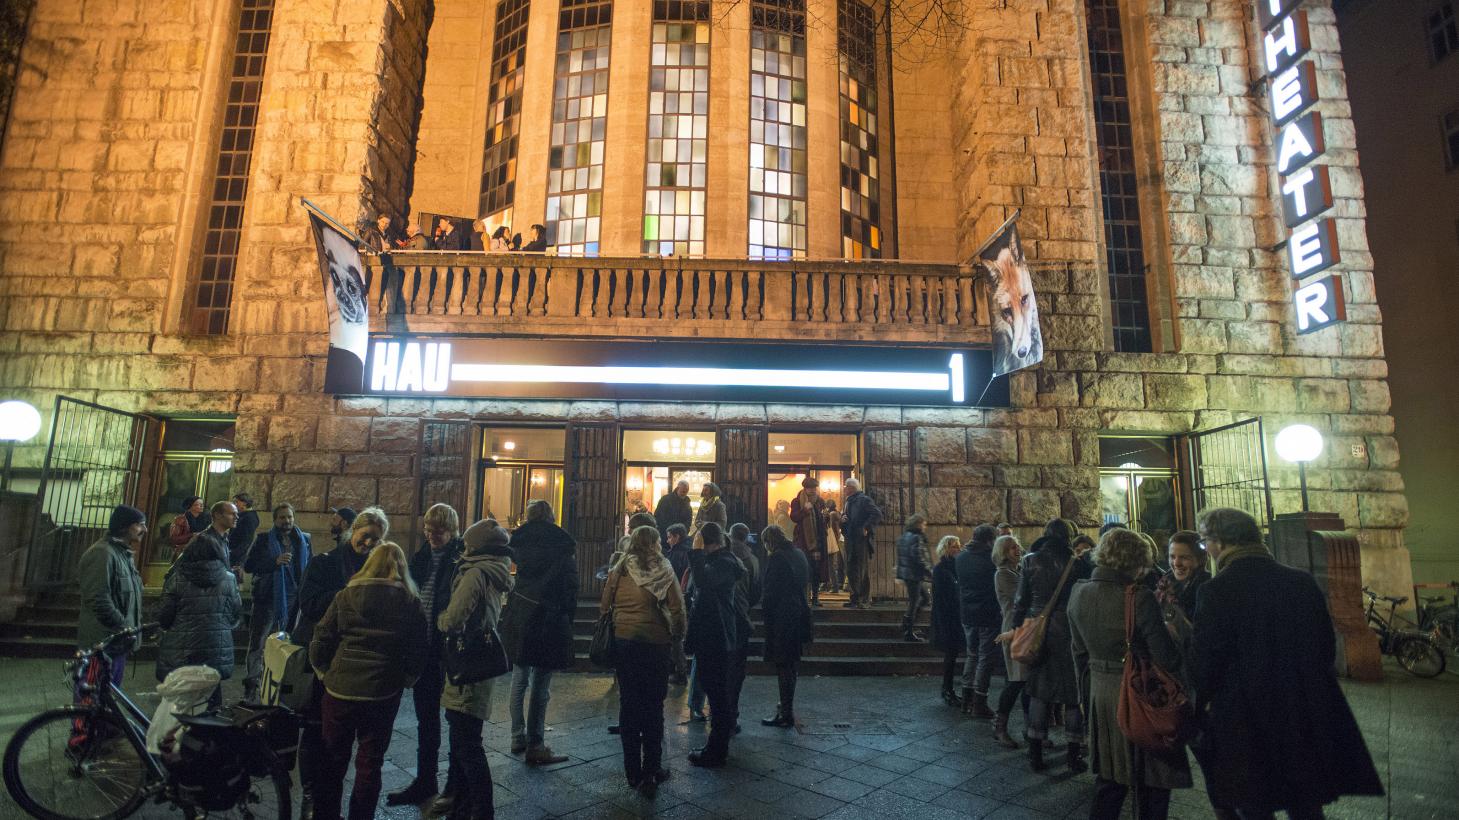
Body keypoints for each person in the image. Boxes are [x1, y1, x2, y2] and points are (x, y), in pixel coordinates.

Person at [1190, 507, 1382, 819]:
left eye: (1204, 542)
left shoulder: (1216, 590)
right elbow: (1324, 645)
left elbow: (1207, 659)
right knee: (1305, 800)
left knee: (1254, 801)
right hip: (1300, 706)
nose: (1206, 549)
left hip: (1244, 713)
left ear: (1221, 541)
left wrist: (1202, 704)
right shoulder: (1300, 582)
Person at [1067, 528, 1191, 820]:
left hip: (1101, 693)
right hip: (1139, 696)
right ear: (1136, 560)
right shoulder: (1138, 598)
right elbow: (1167, 658)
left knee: (1110, 780)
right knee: (1153, 782)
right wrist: (1174, 629)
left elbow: (1078, 652)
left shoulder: (1078, 591)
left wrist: (1085, 697)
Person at [309, 542, 428, 820]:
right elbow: (419, 647)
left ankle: (326, 815)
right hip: (382, 691)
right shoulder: (410, 601)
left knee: (332, 760)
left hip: (340, 689)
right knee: (370, 763)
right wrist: (408, 678)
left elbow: (321, 637)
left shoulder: (346, 594)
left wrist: (324, 672)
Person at [294, 506, 387, 818]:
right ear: (353, 531)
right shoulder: (325, 563)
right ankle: (311, 796)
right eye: (365, 536)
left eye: (376, 539)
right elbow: (307, 604)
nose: (369, 543)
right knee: (314, 731)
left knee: (346, 746)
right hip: (323, 662)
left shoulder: (382, 571)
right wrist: (347, 597)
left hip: (357, 669)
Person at [431, 518, 514, 820]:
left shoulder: (475, 573)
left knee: (466, 744)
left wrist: (440, 620)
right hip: (482, 661)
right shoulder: (496, 570)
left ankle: (481, 810)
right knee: (467, 738)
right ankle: (464, 807)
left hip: (467, 661)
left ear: (475, 546)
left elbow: (454, 617)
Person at [387, 504, 464, 806]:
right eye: (429, 528)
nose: (433, 534)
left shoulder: (458, 560)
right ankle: (425, 780)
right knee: (426, 721)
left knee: (456, 721)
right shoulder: (420, 558)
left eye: (439, 529)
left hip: (448, 652)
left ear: (452, 530)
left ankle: (454, 786)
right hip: (426, 652)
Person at [603, 525, 687, 797]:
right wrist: (677, 635)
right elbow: (677, 607)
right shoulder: (663, 568)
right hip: (655, 643)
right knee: (653, 706)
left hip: (625, 641)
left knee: (629, 705)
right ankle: (651, 770)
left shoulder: (620, 568)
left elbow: (605, 604)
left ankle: (632, 771)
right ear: (655, 543)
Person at [1009, 518, 1090, 773]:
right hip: (1070, 632)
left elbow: (1020, 599)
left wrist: (1017, 627)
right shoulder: (1077, 563)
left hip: (1040, 632)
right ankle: (1073, 754)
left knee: (1039, 693)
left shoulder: (1030, 560)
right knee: (1073, 696)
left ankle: (1035, 753)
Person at [503, 499, 578, 765]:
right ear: (551, 517)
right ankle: (536, 744)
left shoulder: (520, 545)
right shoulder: (560, 547)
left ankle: (516, 736)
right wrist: (566, 616)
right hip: (548, 617)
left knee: (519, 677)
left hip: (522, 615)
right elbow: (570, 588)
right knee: (541, 684)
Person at [683, 521, 749, 767]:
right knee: (716, 692)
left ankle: (716, 750)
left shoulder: (724, 563)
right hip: (712, 635)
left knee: (718, 695)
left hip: (717, 637)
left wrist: (696, 552)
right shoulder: (722, 561)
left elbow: (703, 582)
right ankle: (715, 746)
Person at [156, 532, 242, 708]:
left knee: (179, 708)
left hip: (181, 652)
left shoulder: (177, 578)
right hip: (216, 650)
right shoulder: (229, 579)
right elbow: (235, 613)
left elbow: (164, 617)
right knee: (212, 705)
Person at [74, 505, 145, 711]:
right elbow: (98, 598)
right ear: (124, 527)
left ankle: (105, 732)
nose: (144, 530)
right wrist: (124, 627)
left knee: (108, 694)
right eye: (139, 525)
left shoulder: (122, 554)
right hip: (102, 644)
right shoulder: (102, 554)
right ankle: (82, 740)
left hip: (117, 644)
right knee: (90, 695)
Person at [242, 502, 312, 702]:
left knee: (286, 643)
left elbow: (309, 567)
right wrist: (274, 562)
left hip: (293, 600)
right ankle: (252, 685)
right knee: (259, 641)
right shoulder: (264, 539)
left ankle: (278, 685)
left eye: (289, 517)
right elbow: (249, 566)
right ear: (275, 520)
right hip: (267, 598)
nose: (286, 521)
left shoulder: (303, 540)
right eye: (282, 517)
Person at [759, 525, 812, 728]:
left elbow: (771, 591)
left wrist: (766, 613)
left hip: (783, 618)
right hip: (799, 614)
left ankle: (786, 712)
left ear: (769, 541)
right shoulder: (798, 553)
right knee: (791, 665)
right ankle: (785, 708)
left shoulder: (777, 558)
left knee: (783, 666)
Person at [956, 523, 1002, 717]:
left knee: (972, 654)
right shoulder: (991, 559)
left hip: (967, 613)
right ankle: (979, 701)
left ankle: (966, 698)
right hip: (987, 614)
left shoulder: (961, 557)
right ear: (990, 540)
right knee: (985, 658)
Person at [990, 533, 1027, 748]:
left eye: (1017, 546)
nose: (1018, 550)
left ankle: (1031, 729)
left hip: (1024, 627)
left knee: (1027, 681)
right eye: (1012, 548)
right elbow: (1022, 596)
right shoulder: (1003, 574)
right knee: (1016, 680)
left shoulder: (1018, 571)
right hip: (1013, 629)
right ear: (1004, 552)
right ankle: (999, 725)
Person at [1156, 530, 1208, 648]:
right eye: (1172, 556)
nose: (1176, 563)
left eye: (1184, 557)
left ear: (1200, 559)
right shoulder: (1162, 587)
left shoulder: (1207, 590)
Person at [930, 534, 964, 707]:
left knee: (953, 654)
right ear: (946, 548)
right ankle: (947, 689)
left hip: (955, 616)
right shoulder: (941, 569)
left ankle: (949, 688)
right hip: (946, 617)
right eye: (954, 546)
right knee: (950, 655)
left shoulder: (955, 567)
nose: (958, 549)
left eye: (958, 546)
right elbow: (943, 596)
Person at [841, 478, 882, 608]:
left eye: (846, 487)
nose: (844, 489)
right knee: (851, 569)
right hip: (850, 538)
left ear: (852, 488)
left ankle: (864, 599)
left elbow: (876, 514)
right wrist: (843, 519)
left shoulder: (864, 500)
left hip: (860, 540)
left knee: (861, 568)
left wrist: (866, 527)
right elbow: (847, 517)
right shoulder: (848, 501)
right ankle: (854, 598)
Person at [790, 477, 827, 607]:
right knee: (804, 568)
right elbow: (794, 517)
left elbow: (822, 519)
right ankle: (803, 597)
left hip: (818, 540)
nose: (812, 491)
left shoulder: (820, 501)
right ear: (805, 489)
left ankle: (815, 597)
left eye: (814, 488)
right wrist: (805, 511)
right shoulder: (797, 501)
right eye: (809, 488)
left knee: (816, 569)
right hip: (803, 541)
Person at [895, 514, 932, 642]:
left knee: (923, 598)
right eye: (923, 524)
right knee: (914, 602)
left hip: (907, 574)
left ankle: (906, 625)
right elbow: (919, 557)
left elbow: (900, 558)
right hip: (914, 574)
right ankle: (908, 631)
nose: (925, 526)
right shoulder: (916, 538)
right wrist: (930, 572)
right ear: (918, 524)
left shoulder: (904, 537)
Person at [227, 492, 259, 569]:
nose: (234, 504)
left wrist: (233, 554)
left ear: (244, 503)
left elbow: (247, 540)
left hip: (236, 557)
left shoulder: (249, 517)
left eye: (236, 502)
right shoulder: (243, 515)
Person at [824, 499, 844, 593]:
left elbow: (831, 528)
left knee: (831, 565)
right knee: (837, 564)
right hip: (837, 541)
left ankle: (834, 586)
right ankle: (837, 584)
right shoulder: (837, 513)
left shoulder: (831, 514)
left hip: (831, 541)